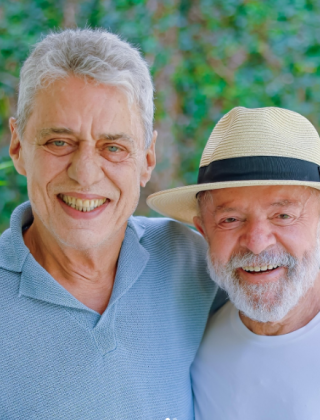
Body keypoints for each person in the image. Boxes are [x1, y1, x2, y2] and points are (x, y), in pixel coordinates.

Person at [0, 28, 223, 419]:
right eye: (59, 142)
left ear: (147, 159)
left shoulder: (193, 261)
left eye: (113, 148)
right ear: (17, 146)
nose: (85, 175)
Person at [147, 106, 320, 420]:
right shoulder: (196, 342)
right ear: (204, 231)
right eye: (230, 219)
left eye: (283, 215)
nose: (256, 242)